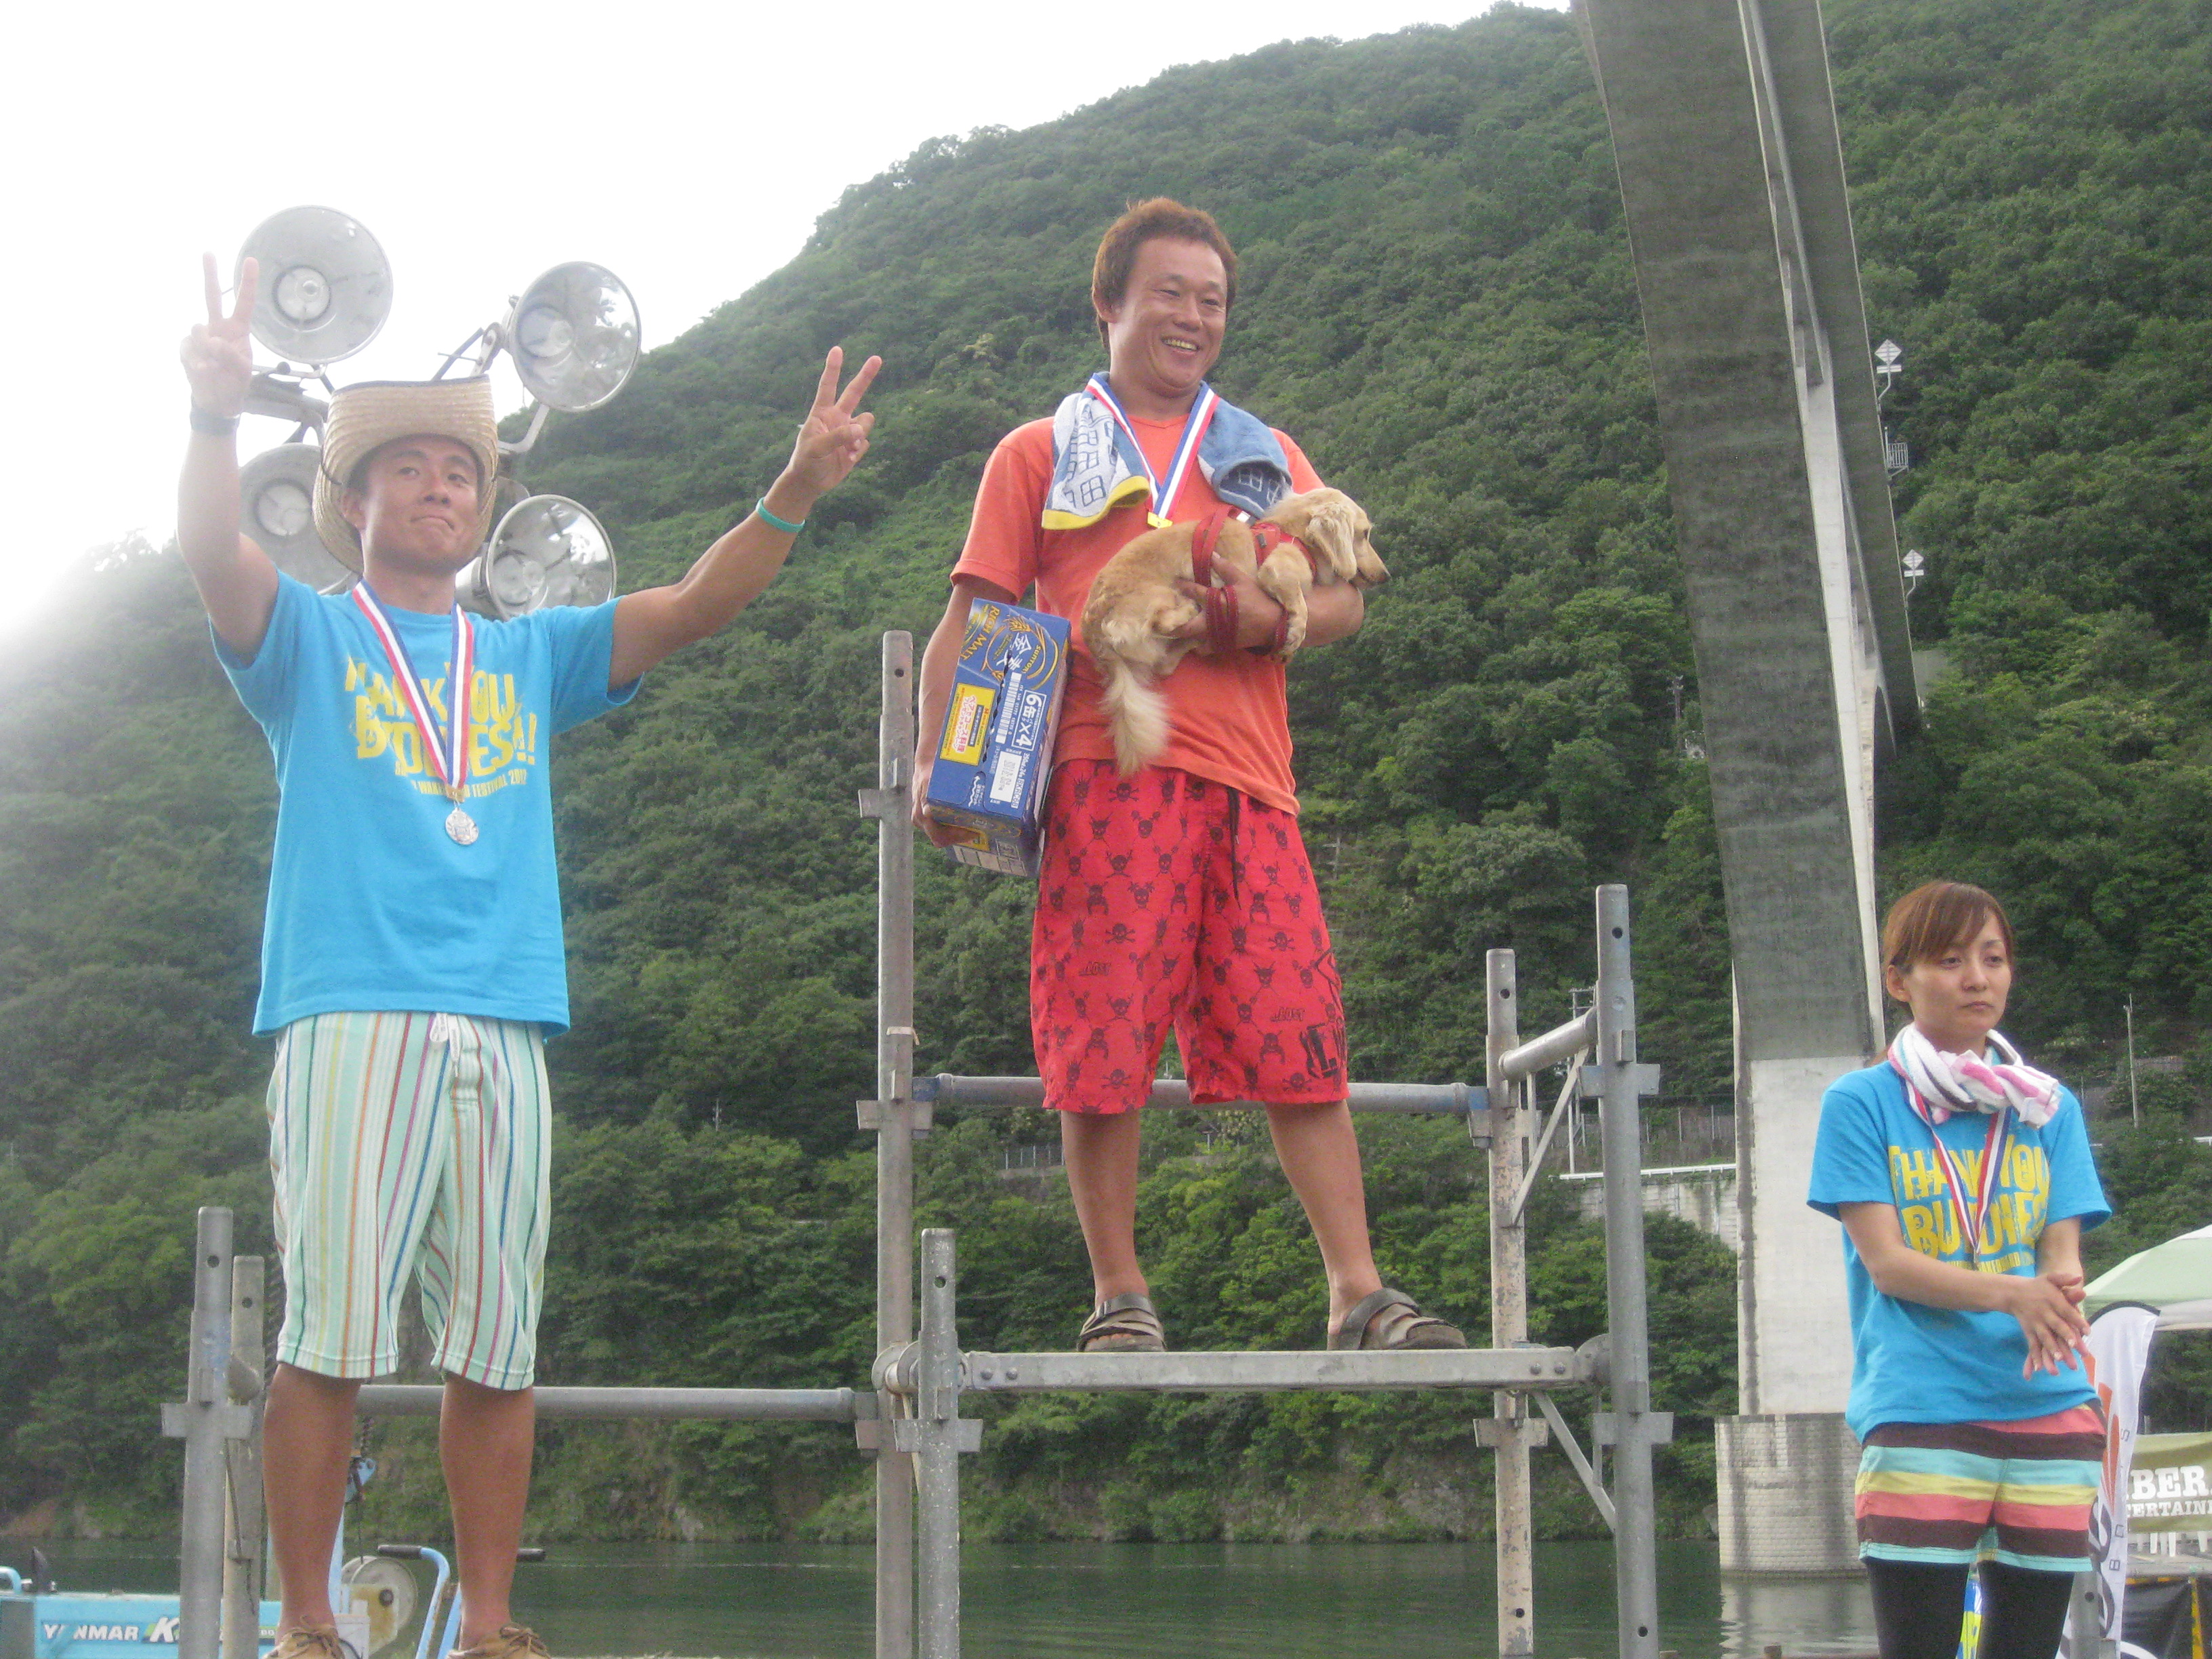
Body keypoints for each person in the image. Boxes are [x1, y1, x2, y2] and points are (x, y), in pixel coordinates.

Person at [179, 254, 878, 1659]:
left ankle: (490, 1623)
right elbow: (211, 552)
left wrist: (796, 486)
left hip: (504, 1020)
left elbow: (692, 604)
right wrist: (211, 416)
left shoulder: (525, 655)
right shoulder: (308, 635)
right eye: (410, 470)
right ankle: (306, 1623)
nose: (440, 488)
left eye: (461, 472)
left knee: (498, 1346)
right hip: (352, 1009)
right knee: (327, 1336)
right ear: (354, 501)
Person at [912, 199, 1462, 1355]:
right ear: (1108, 303)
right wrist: (933, 761)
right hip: (1106, 765)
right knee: (1100, 1033)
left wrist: (1245, 619)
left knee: (1297, 1027)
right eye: (1169, 292)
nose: (1193, 317)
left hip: (1254, 782)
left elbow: (1346, 601)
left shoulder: (1259, 450)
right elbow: (973, 613)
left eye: (1211, 300)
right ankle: (1119, 1293)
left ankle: (1356, 1291)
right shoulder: (1038, 452)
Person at [1808, 880, 2110, 1659]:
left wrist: (2059, 1292)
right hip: (1923, 1404)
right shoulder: (1863, 1103)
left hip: (2050, 1404)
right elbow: (1888, 1265)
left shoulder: (2047, 1107)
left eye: (1993, 958)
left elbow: (2062, 1250)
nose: (1978, 978)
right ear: (1899, 980)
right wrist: (2015, 1295)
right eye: (1949, 960)